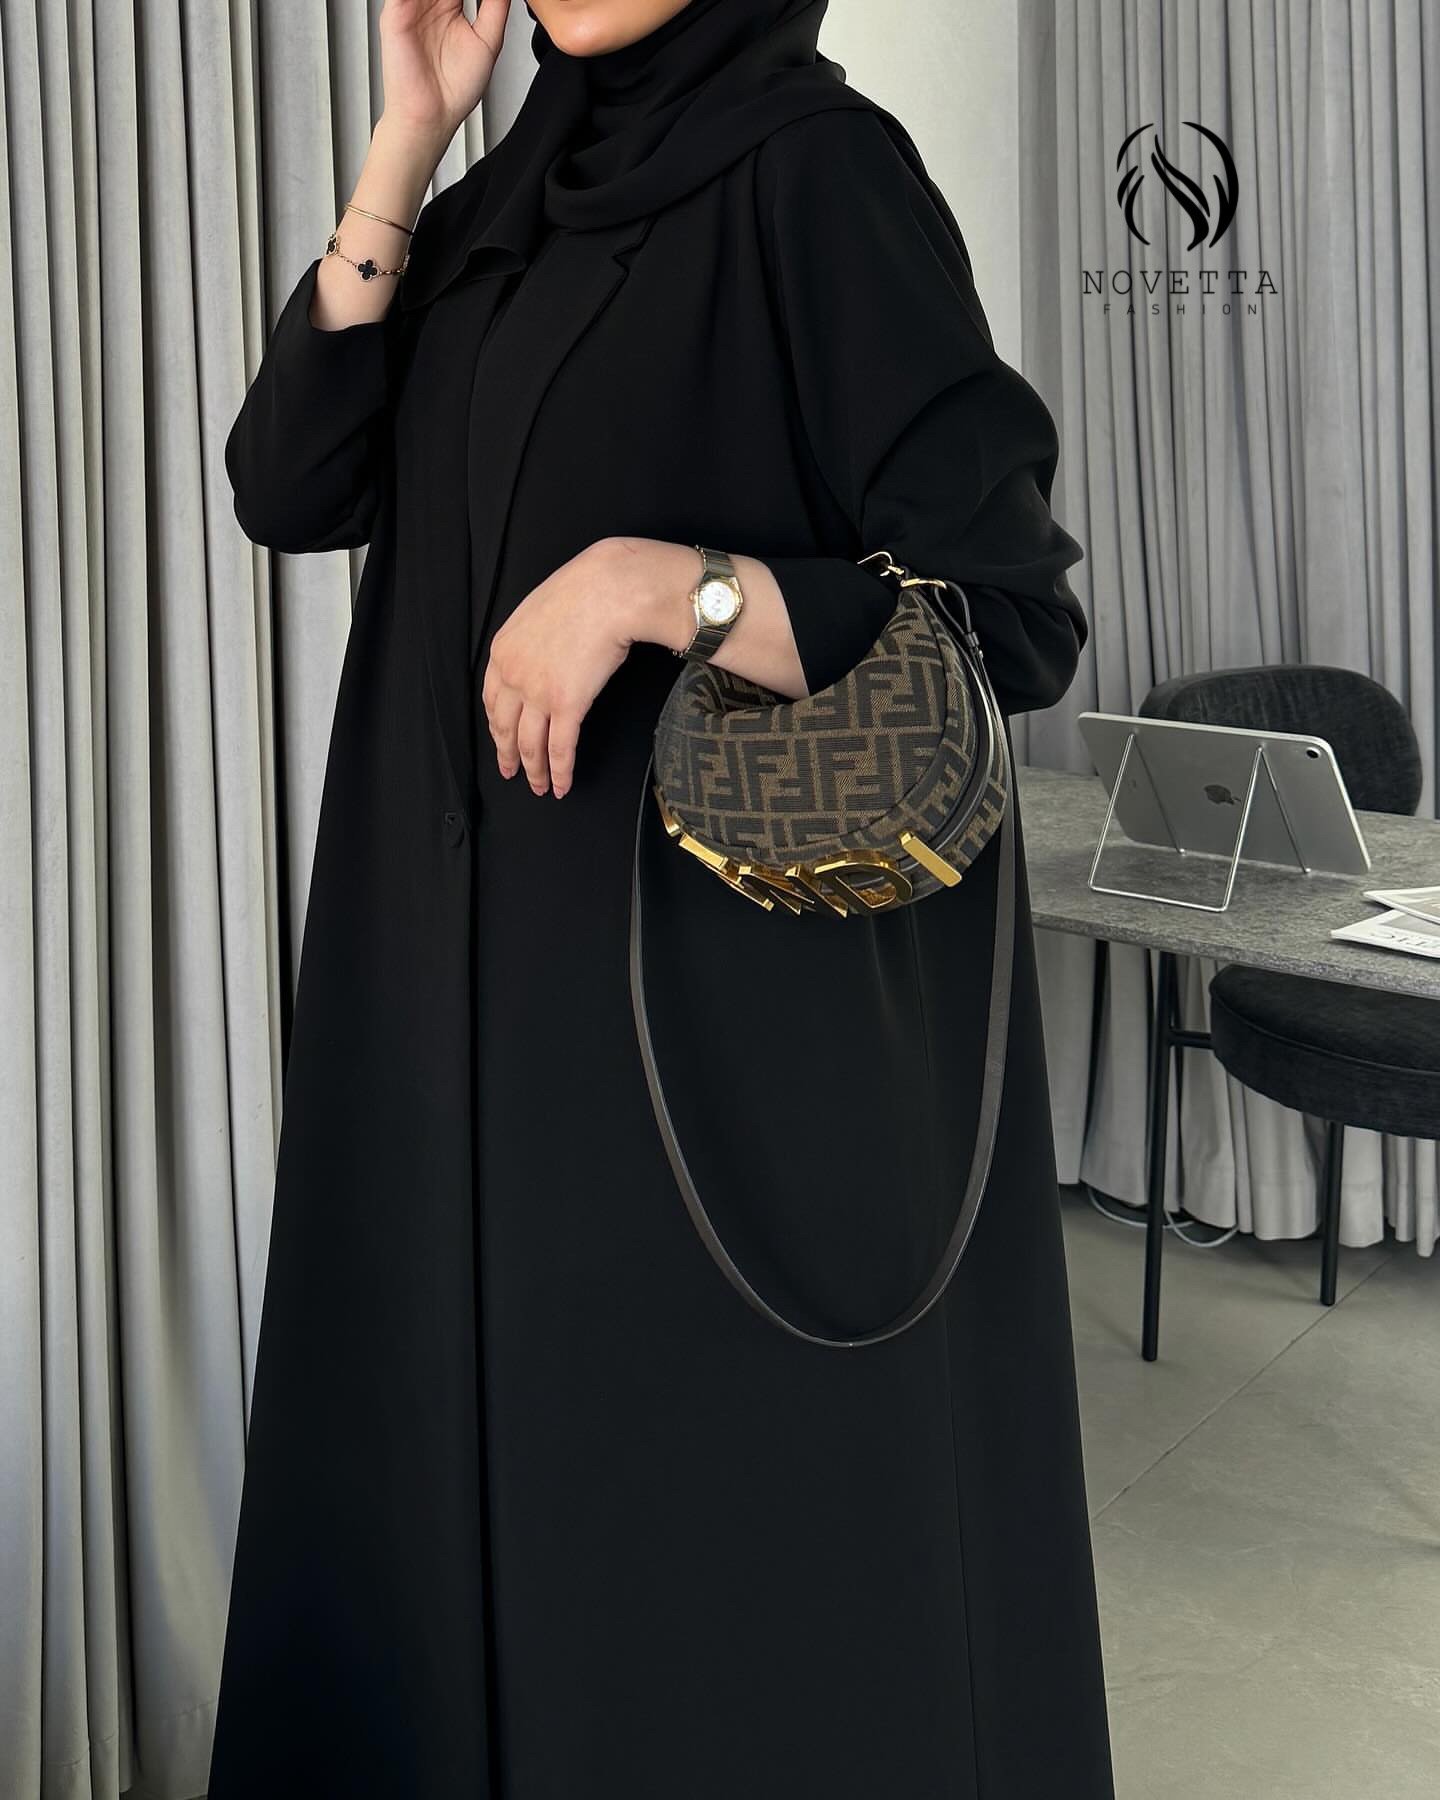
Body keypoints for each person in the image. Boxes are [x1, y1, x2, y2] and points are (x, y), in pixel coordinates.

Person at [206, 1, 1115, 1795]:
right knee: (442, 1510)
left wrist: (662, 586)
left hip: (687, 1043)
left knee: (678, 1577)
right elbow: (287, 482)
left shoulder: (822, 178)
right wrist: (408, 143)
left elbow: (1009, 617)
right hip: (448, 1009)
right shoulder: (503, 203)